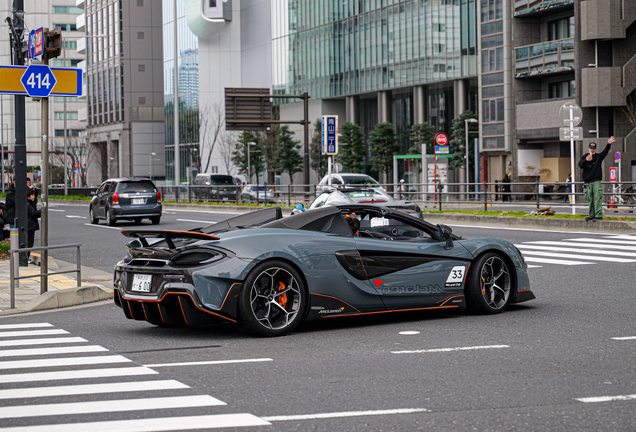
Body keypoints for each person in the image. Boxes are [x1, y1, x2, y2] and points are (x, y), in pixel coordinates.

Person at [578, 137, 616, 221]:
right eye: (591, 148)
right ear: (588, 148)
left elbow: (605, 152)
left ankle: (598, 215)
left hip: (596, 180)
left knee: (598, 197)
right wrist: (585, 160)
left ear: (595, 149)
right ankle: (591, 215)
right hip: (587, 181)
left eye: (593, 148)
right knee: (590, 199)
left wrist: (609, 144)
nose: (592, 150)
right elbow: (580, 165)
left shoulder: (598, 157)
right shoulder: (584, 156)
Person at [26, 188, 41, 263]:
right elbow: (33, 213)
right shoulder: (28, 204)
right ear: (28, 196)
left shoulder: (30, 203)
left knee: (29, 242)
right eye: (32, 195)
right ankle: (26, 258)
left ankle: (26, 257)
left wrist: (35, 189)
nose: (33, 197)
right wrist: (42, 211)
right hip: (30, 226)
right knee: (29, 243)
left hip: (30, 225)